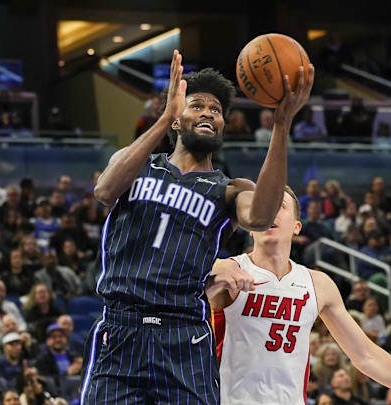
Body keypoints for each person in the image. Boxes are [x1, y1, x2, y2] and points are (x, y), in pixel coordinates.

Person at [82, 50, 315, 405]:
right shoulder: (138, 165)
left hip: (184, 335)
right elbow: (104, 189)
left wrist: (281, 126)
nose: (208, 112)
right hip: (120, 328)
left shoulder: (230, 190)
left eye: (216, 110)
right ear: (178, 119)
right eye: (197, 106)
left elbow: (262, 216)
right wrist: (164, 118)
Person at [207, 187, 391, 404]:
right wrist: (212, 280)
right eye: (264, 207)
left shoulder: (317, 283)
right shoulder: (226, 269)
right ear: (250, 225)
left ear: (297, 227)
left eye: (279, 206)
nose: (270, 212)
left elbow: (366, 355)